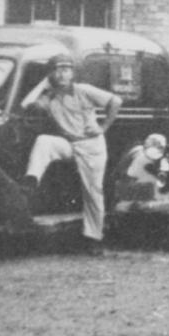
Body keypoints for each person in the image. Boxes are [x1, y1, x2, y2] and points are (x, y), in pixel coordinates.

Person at [20, 53, 121, 257]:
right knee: (44, 141)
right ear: (51, 74)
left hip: (91, 146)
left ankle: (94, 239)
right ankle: (32, 180)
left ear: (73, 73)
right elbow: (25, 105)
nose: (61, 74)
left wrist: (103, 127)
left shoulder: (83, 90)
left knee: (93, 192)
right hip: (69, 144)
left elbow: (115, 101)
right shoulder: (49, 97)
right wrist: (43, 84)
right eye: (57, 70)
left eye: (66, 69)